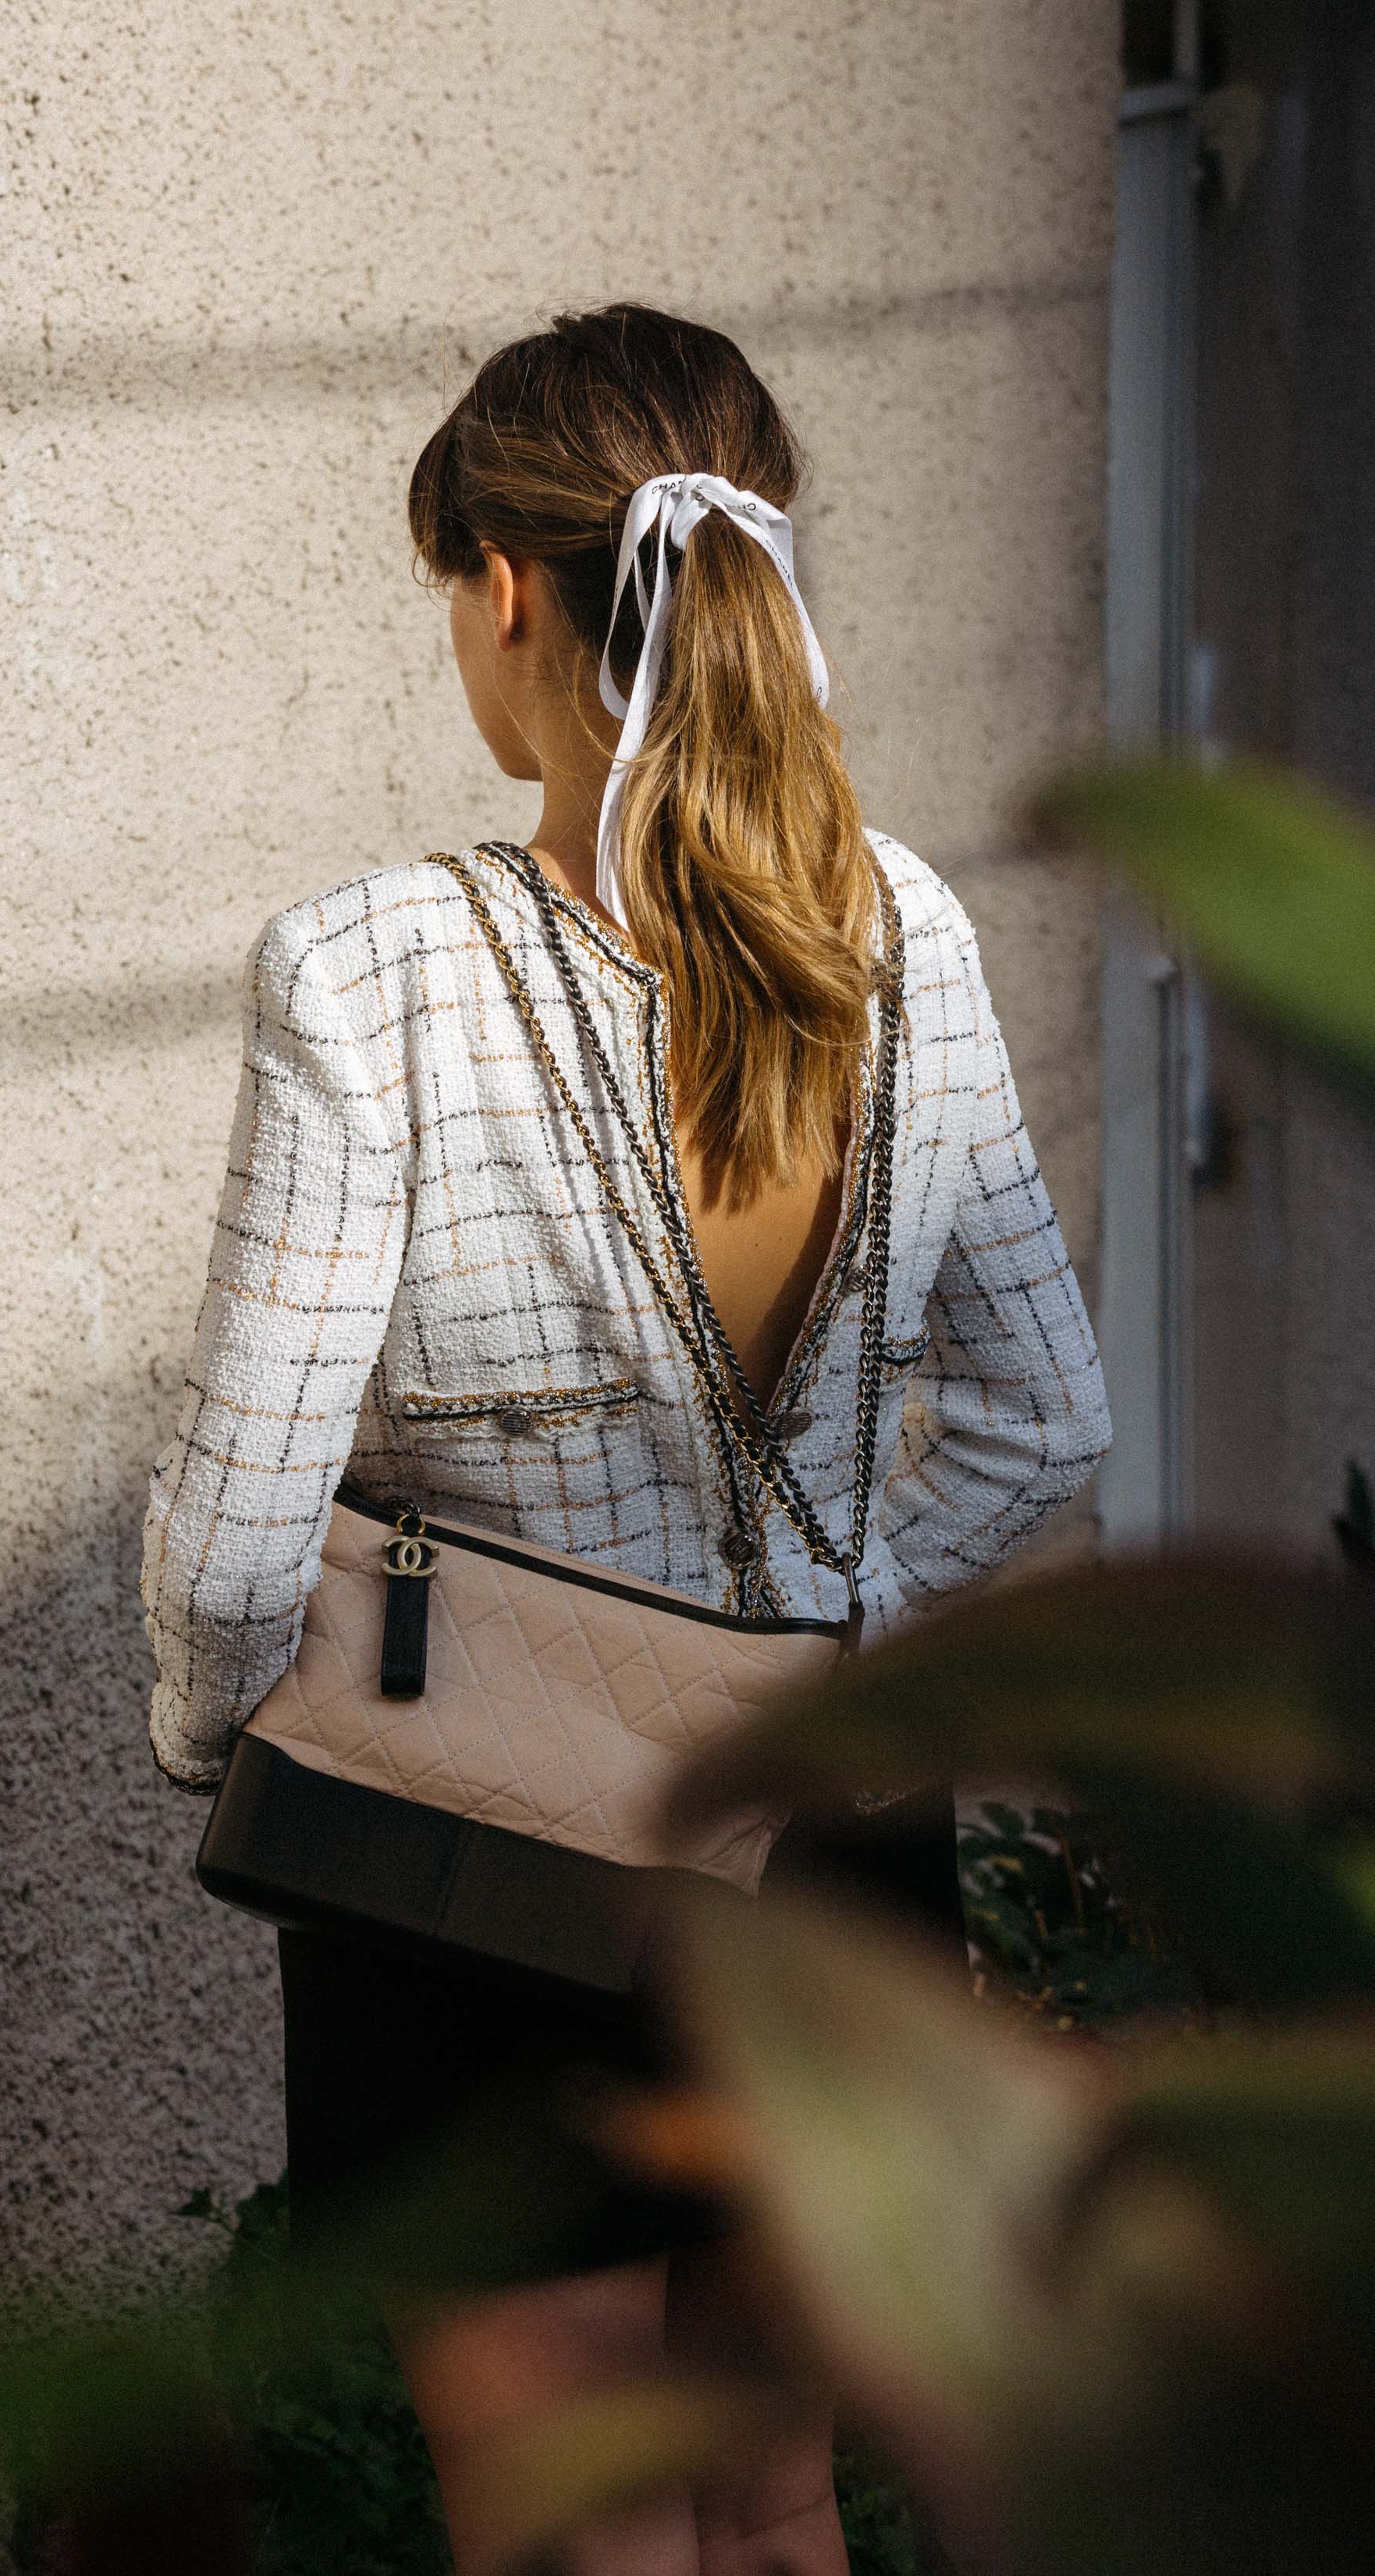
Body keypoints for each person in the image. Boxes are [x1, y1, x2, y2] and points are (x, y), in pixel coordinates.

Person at [143, 304, 1111, 2575]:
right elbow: (1051, 1409)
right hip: (840, 1856)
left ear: (501, 588)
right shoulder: (905, 939)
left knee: (577, 2532)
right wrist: (828, 1645)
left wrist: (230, 1742)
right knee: (778, 2504)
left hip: (491, 1873)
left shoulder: (367, 972)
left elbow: (233, 1542)